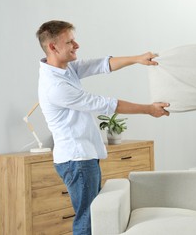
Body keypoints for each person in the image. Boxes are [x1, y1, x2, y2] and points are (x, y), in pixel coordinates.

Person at [36, 20, 170, 234]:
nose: (77, 45)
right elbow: (104, 104)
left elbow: (101, 64)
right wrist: (149, 109)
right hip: (76, 159)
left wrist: (137, 59)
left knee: (92, 217)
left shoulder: (64, 69)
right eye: (70, 42)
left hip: (82, 158)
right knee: (87, 221)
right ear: (53, 47)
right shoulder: (56, 86)